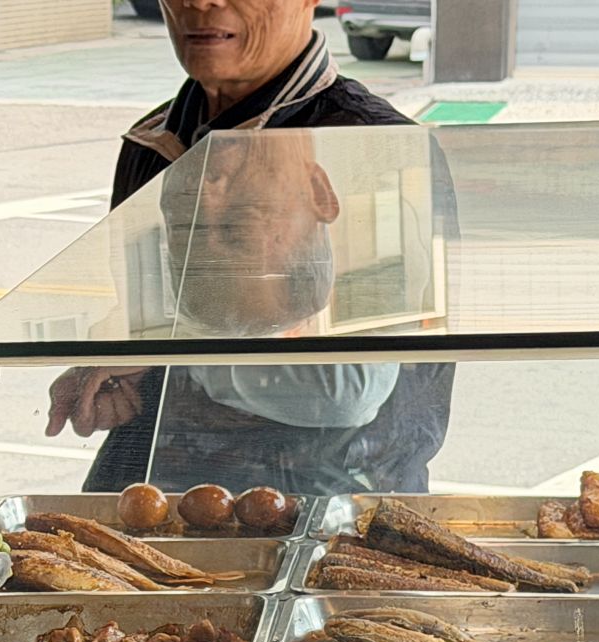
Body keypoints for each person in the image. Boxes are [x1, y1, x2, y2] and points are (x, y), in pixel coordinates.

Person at [45, 0, 453, 496]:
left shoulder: (375, 148)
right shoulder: (151, 144)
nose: (199, 4)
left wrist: (167, 360)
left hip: (322, 514)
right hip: (150, 497)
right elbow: (150, 328)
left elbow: (352, 393)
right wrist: (124, 385)